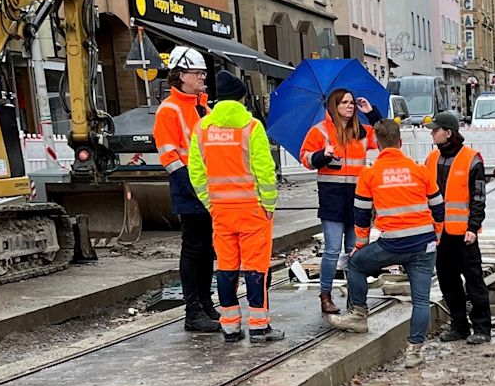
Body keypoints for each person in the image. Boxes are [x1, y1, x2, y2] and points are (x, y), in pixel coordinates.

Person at [326, 119, 444, 369]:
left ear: (377, 145)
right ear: (400, 143)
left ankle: (358, 315)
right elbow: (437, 205)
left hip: (391, 244)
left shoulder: (369, 174)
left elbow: (361, 214)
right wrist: (437, 234)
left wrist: (361, 243)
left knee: (356, 265)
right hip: (424, 244)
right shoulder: (419, 169)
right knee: (421, 300)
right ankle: (414, 351)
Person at [187, 71, 282, 343]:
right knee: (256, 268)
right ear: (242, 98)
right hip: (252, 209)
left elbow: (196, 172)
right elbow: (265, 171)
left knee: (227, 267)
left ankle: (229, 327)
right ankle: (259, 327)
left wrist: (209, 202)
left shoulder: (203, 128)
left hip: (221, 211)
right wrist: (269, 205)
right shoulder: (251, 127)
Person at [153, 46, 218, 332]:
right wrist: (193, 188)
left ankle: (205, 303)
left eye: (203, 72)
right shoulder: (170, 109)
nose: (203, 77)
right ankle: (193, 310)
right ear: (180, 75)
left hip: (209, 188)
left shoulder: (203, 107)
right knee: (194, 248)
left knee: (207, 249)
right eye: (197, 73)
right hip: (190, 190)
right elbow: (169, 155)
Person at [299, 88, 380, 314]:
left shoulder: (362, 132)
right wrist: (321, 156)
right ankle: (326, 296)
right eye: (344, 102)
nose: (350, 105)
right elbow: (305, 158)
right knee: (333, 249)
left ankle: (354, 298)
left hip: (358, 198)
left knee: (354, 250)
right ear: (334, 106)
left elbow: (388, 138)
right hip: (332, 198)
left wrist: (372, 113)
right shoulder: (320, 131)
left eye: (352, 102)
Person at [424, 111, 491, 344]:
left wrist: (473, 227)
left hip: (464, 235)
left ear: (448, 132)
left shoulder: (471, 159)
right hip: (440, 236)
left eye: (436, 129)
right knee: (448, 282)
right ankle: (459, 326)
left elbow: (478, 197)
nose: (432, 133)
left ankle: (482, 328)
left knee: (474, 282)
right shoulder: (431, 159)